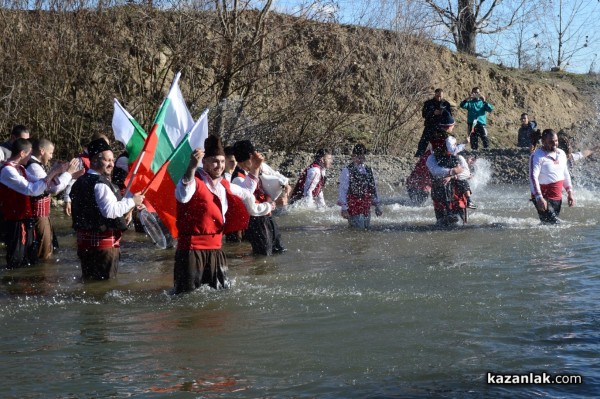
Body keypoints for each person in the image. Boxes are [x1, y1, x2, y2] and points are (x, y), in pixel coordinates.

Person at [174, 136, 273, 293]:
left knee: (220, 293)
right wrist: (191, 167)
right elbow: (183, 196)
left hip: (216, 248)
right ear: (204, 162)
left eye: (221, 161)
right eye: (214, 161)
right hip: (192, 249)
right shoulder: (193, 181)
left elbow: (247, 192)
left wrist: (255, 167)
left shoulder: (223, 184)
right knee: (187, 296)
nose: (219, 166)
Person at [70, 138, 144, 280]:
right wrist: (132, 201)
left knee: (89, 283)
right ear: (95, 160)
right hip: (103, 247)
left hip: (84, 244)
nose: (111, 164)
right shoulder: (100, 183)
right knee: (104, 288)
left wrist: (128, 207)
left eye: (112, 160)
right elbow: (109, 211)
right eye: (107, 160)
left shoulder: (79, 181)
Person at [0, 138, 68, 268]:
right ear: (22, 154)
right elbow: (31, 190)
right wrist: (53, 172)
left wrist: (56, 172)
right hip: (14, 221)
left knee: (31, 260)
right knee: (17, 261)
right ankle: (15, 286)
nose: (31, 157)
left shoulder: (20, 168)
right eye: (30, 154)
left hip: (25, 219)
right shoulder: (7, 171)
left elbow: (40, 183)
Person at [26, 139, 82, 260]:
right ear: (42, 151)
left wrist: (65, 173)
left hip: (43, 215)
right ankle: (42, 277)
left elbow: (50, 182)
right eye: (50, 153)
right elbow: (53, 189)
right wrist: (68, 173)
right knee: (44, 253)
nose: (51, 157)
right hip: (38, 216)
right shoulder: (34, 167)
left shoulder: (36, 165)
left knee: (50, 249)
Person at [232, 140, 287, 255]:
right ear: (241, 162)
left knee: (278, 251)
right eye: (251, 160)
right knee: (263, 256)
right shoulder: (237, 178)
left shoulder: (261, 167)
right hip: (256, 222)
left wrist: (284, 193)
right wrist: (274, 203)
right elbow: (250, 207)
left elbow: (282, 180)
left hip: (269, 217)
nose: (255, 162)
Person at [529, 129, 574, 224]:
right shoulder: (537, 156)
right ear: (543, 142)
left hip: (557, 196)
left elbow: (565, 173)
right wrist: (539, 197)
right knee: (553, 224)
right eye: (551, 142)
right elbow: (533, 177)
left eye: (556, 141)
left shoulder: (561, 153)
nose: (555, 144)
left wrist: (570, 192)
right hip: (543, 196)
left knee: (549, 224)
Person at [63, 132, 110, 216]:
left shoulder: (105, 161)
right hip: (83, 200)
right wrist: (67, 200)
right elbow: (71, 180)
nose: (108, 148)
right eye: (105, 145)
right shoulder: (80, 160)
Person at [337, 144, 383, 229]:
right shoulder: (347, 170)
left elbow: (373, 188)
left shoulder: (368, 170)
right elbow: (343, 190)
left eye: (362, 158)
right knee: (358, 229)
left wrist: (377, 205)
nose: (361, 160)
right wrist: (344, 208)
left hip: (366, 206)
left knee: (366, 229)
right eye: (358, 158)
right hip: (353, 206)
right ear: (353, 157)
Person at [426, 146, 469, 225]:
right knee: (440, 225)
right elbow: (435, 171)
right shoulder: (431, 158)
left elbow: (466, 174)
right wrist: (452, 171)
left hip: (457, 194)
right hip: (439, 194)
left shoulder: (459, 157)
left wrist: (451, 176)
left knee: (462, 225)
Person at [415, 88, 453, 157]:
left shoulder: (446, 104)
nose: (439, 98)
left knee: (442, 143)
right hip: (430, 125)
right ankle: (419, 155)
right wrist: (433, 112)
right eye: (437, 96)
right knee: (424, 141)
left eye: (440, 96)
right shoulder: (428, 103)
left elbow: (449, 116)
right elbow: (424, 114)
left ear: (443, 95)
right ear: (435, 94)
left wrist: (443, 113)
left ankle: (442, 156)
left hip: (441, 127)